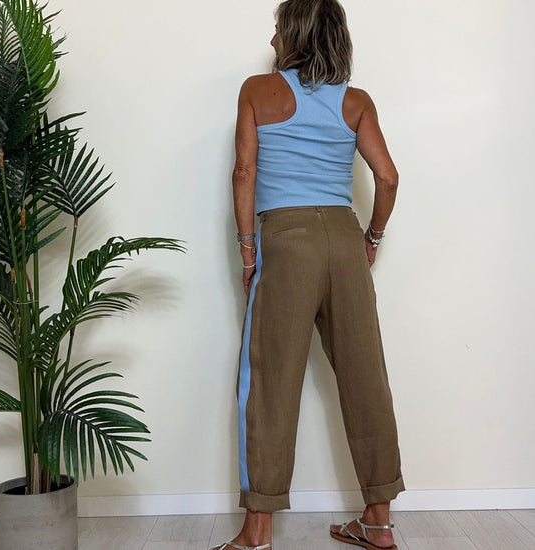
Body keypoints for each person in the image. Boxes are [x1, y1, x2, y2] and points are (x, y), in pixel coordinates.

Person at [214, 0, 404, 548]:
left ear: (295, 34)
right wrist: (371, 239)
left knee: (269, 382)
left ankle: (257, 533)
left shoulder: (257, 91)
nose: (272, 39)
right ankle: (379, 523)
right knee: (366, 378)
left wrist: (248, 252)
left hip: (286, 239)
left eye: (278, 28)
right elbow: (387, 179)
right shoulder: (356, 102)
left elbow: (244, 171)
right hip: (344, 238)